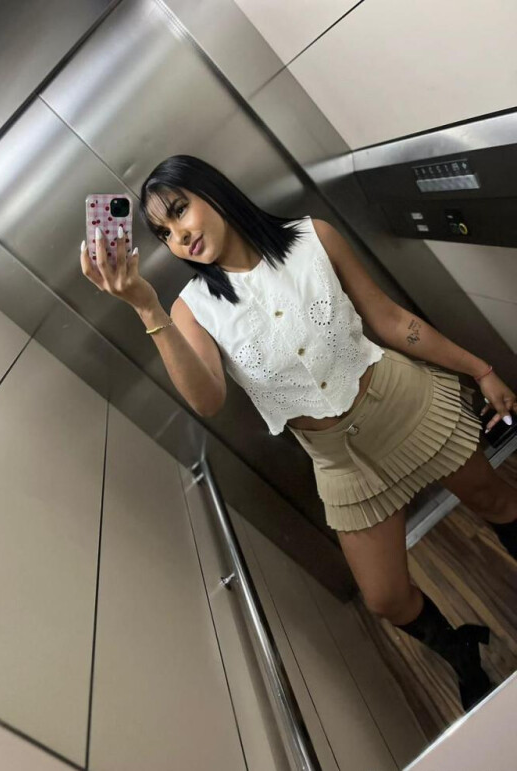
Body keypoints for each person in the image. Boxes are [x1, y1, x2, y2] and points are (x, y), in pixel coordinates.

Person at [80, 154, 517, 711]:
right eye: (164, 232)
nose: (179, 235)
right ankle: (460, 652)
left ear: (214, 192)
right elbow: (208, 400)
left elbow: (389, 320)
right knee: (385, 597)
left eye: (181, 211)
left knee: (496, 500)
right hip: (341, 461)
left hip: (402, 403)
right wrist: (147, 308)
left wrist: (480, 369)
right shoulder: (192, 309)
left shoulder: (314, 237)